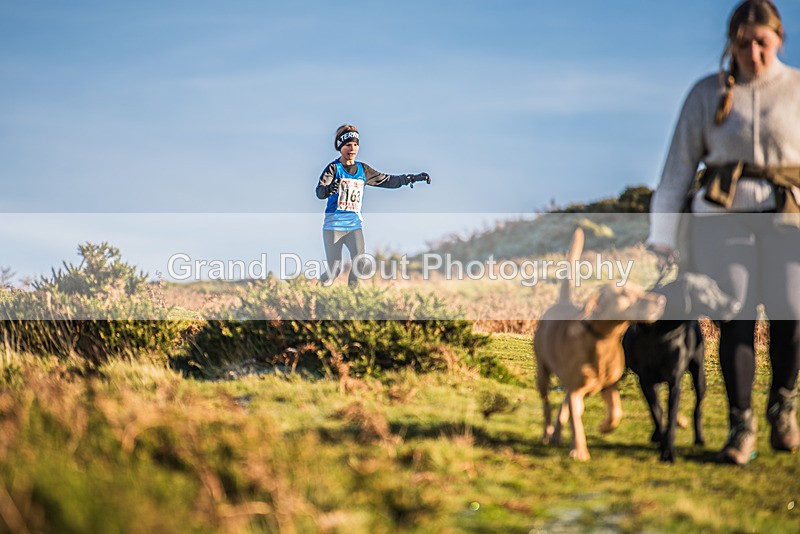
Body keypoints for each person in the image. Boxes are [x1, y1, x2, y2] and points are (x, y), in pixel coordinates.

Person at [648, 0, 800, 465]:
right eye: (742, 43)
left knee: (791, 311)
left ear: (779, 41)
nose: (752, 52)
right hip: (721, 219)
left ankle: (782, 406)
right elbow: (677, 167)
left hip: (788, 219)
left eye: (762, 43)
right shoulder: (705, 93)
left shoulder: (796, 89)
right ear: (730, 44)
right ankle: (741, 426)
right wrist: (663, 233)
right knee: (733, 313)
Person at [315, 124, 430, 286]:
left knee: (360, 264)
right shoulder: (334, 168)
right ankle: (315, 295)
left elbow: (388, 180)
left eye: (355, 144)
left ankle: (352, 301)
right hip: (333, 226)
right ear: (340, 147)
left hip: (354, 225)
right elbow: (319, 192)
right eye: (348, 145)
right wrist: (329, 189)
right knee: (335, 270)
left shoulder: (363, 170)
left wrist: (412, 178)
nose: (352, 148)